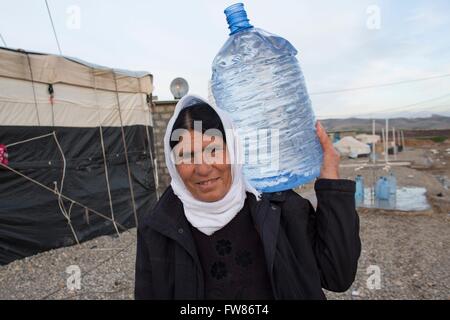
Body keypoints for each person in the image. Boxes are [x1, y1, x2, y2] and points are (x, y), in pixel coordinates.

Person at [135, 94, 361, 300]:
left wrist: (331, 182)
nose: (202, 169)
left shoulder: (280, 209)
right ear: (173, 164)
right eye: (187, 155)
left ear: (233, 149)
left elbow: (337, 276)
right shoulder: (158, 231)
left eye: (213, 150)